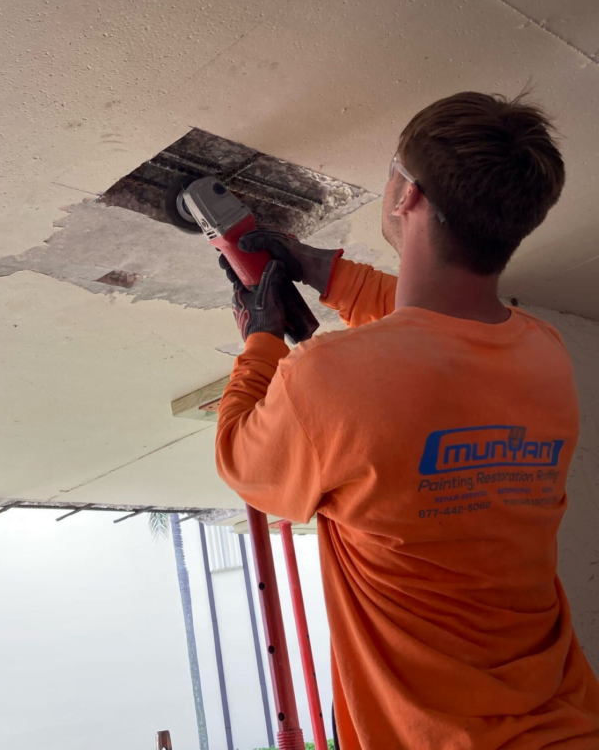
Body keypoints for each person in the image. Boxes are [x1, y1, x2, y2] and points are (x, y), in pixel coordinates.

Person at [215, 92, 599, 749]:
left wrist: (260, 340)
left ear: (408, 197)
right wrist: (323, 270)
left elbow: (240, 461)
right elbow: (435, 334)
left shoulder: (327, 380)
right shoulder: (544, 357)